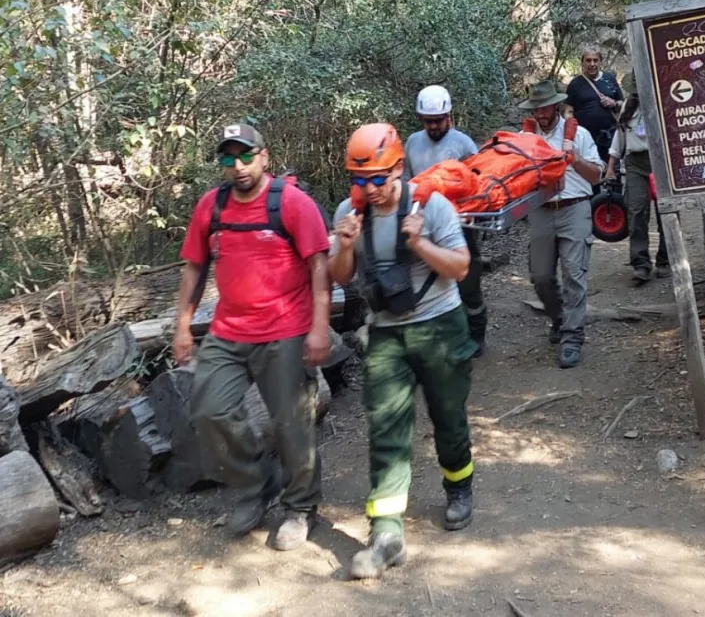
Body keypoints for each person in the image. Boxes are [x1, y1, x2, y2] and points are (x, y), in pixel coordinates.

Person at [173, 123, 331, 551]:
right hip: (228, 329)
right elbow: (193, 266)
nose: (238, 166)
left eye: (245, 156)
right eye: (228, 158)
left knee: (291, 424)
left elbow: (319, 266)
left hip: (285, 328)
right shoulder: (213, 206)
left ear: (265, 156)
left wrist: (319, 327)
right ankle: (257, 483)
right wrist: (183, 325)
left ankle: (301, 508)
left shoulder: (292, 204)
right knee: (208, 410)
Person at [330, 123, 476, 580]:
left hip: (440, 324)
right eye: (359, 180)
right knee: (386, 428)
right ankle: (387, 533)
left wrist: (418, 241)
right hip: (387, 333)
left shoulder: (431, 205)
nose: (368, 190)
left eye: (377, 178)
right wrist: (345, 245)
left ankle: (459, 487)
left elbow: (460, 267)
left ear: (397, 168)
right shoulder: (349, 212)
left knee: (449, 419)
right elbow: (339, 276)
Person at [518, 80, 604, 369]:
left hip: (575, 207)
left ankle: (572, 338)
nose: (541, 114)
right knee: (540, 276)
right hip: (541, 209)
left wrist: (573, 159)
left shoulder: (578, 134)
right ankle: (558, 319)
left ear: (556, 105)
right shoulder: (524, 138)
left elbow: (596, 177)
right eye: (535, 109)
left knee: (573, 275)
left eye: (545, 107)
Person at [403, 85, 487, 356]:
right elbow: (405, 183)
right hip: (424, 226)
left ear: (449, 117)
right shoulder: (412, 142)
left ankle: (476, 334)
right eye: (429, 121)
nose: (434, 126)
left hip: (461, 223)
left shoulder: (463, 143)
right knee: (431, 283)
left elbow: (478, 183)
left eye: (438, 120)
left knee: (468, 280)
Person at [605, 72, 670, 284]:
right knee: (636, 211)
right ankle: (641, 263)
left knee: (666, 211)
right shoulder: (627, 107)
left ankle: (665, 259)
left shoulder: (663, 105)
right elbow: (619, 138)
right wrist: (611, 167)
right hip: (635, 163)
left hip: (660, 161)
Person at [565, 45, 624, 166]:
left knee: (613, 172)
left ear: (600, 61)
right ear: (582, 63)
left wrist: (613, 103)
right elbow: (568, 111)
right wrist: (569, 134)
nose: (592, 64)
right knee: (590, 169)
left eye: (595, 60)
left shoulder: (610, 79)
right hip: (585, 137)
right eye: (588, 60)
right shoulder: (575, 85)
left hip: (610, 136)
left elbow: (623, 104)